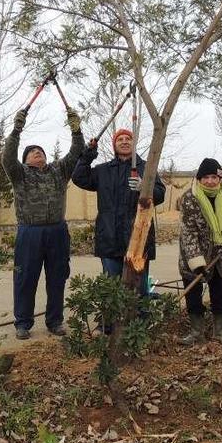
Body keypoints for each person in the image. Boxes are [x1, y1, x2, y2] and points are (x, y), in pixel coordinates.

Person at [2, 107, 86, 340]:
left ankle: (55, 320)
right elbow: (7, 157)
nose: (38, 153)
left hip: (57, 231)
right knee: (25, 278)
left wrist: (76, 129)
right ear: (26, 160)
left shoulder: (58, 170)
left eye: (41, 151)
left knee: (58, 277)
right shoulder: (19, 174)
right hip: (29, 232)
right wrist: (17, 128)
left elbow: (76, 151)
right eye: (32, 152)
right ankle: (23, 323)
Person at [72, 128, 166, 330]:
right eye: (120, 139)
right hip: (110, 237)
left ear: (133, 144)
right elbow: (79, 177)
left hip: (138, 238)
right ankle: (110, 327)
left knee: (139, 286)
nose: (124, 142)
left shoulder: (146, 168)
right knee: (112, 286)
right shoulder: (103, 170)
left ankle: (139, 327)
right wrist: (88, 154)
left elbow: (160, 194)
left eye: (128, 139)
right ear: (114, 145)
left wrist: (145, 187)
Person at [178, 158, 222, 347]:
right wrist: (197, 263)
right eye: (205, 177)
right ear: (199, 179)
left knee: (221, 293)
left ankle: (220, 332)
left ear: (219, 177)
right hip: (194, 257)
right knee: (193, 294)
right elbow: (188, 232)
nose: (210, 181)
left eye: (214, 176)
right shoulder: (189, 198)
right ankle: (196, 332)